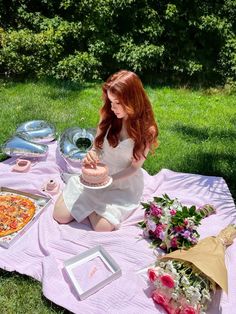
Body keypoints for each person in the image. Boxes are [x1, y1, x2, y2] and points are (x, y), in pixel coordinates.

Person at [53, 70, 158, 231]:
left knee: (102, 227)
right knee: (60, 216)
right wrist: (92, 154)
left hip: (123, 183)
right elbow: (97, 147)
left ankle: (88, 206)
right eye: (110, 102)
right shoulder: (108, 117)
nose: (112, 107)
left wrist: (108, 180)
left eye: (117, 103)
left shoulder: (147, 130)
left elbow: (134, 167)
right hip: (97, 177)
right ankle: (80, 194)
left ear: (132, 100)